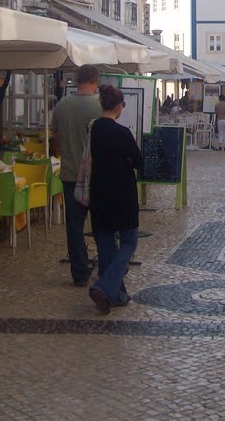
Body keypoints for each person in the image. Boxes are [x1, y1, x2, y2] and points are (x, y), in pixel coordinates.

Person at [88, 84, 143, 314]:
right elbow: (139, 161)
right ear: (120, 106)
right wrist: (127, 162)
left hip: (99, 194)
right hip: (122, 196)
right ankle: (104, 286)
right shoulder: (122, 133)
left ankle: (115, 294)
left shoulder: (94, 129)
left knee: (106, 242)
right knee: (129, 241)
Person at [50, 64, 102, 287]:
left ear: (76, 80)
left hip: (70, 174)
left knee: (74, 226)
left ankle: (80, 272)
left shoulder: (62, 106)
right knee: (101, 225)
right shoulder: (100, 106)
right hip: (98, 176)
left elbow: (55, 138)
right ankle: (107, 267)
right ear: (95, 81)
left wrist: (63, 154)